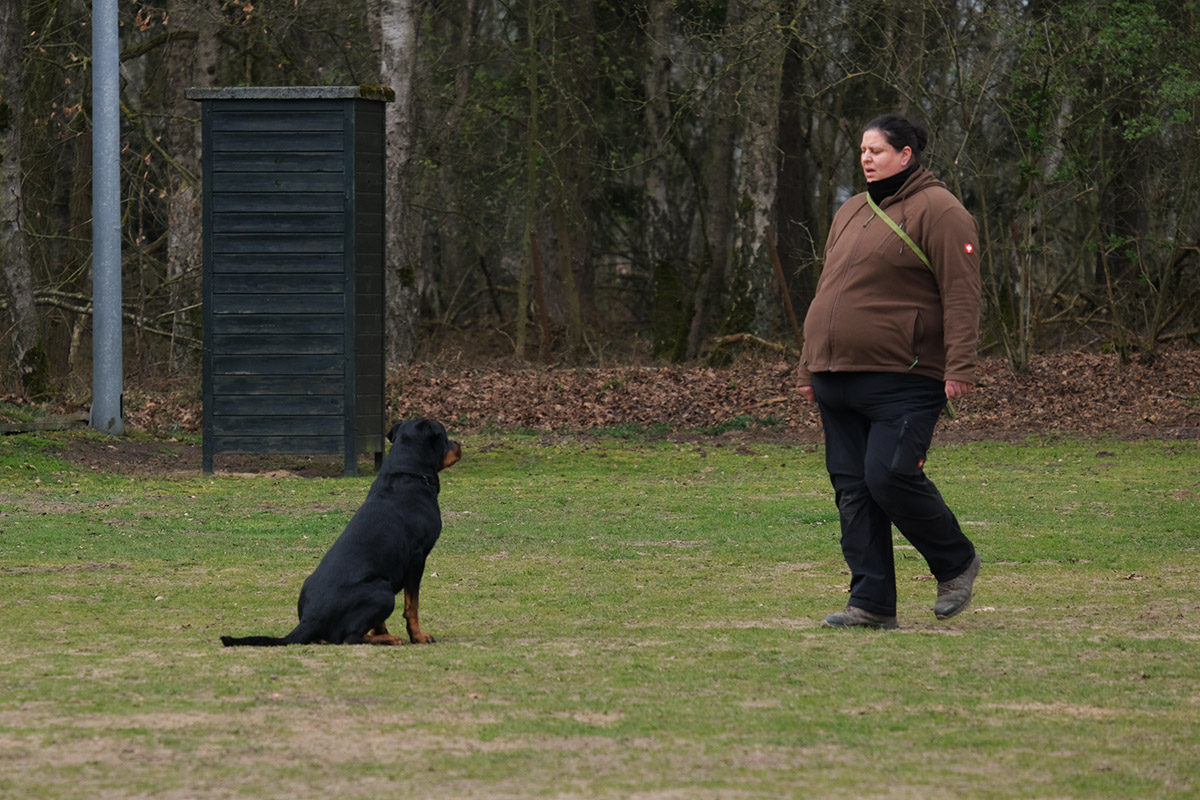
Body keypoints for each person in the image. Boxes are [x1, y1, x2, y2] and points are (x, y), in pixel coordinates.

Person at [796, 114, 982, 630]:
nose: (866, 158)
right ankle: (872, 603)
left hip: (905, 376)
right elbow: (827, 292)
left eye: (876, 150)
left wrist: (959, 363)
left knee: (890, 475)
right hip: (836, 376)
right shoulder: (851, 210)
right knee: (853, 490)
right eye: (861, 150)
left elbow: (963, 292)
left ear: (906, 155)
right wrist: (808, 366)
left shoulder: (940, 210)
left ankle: (956, 563)